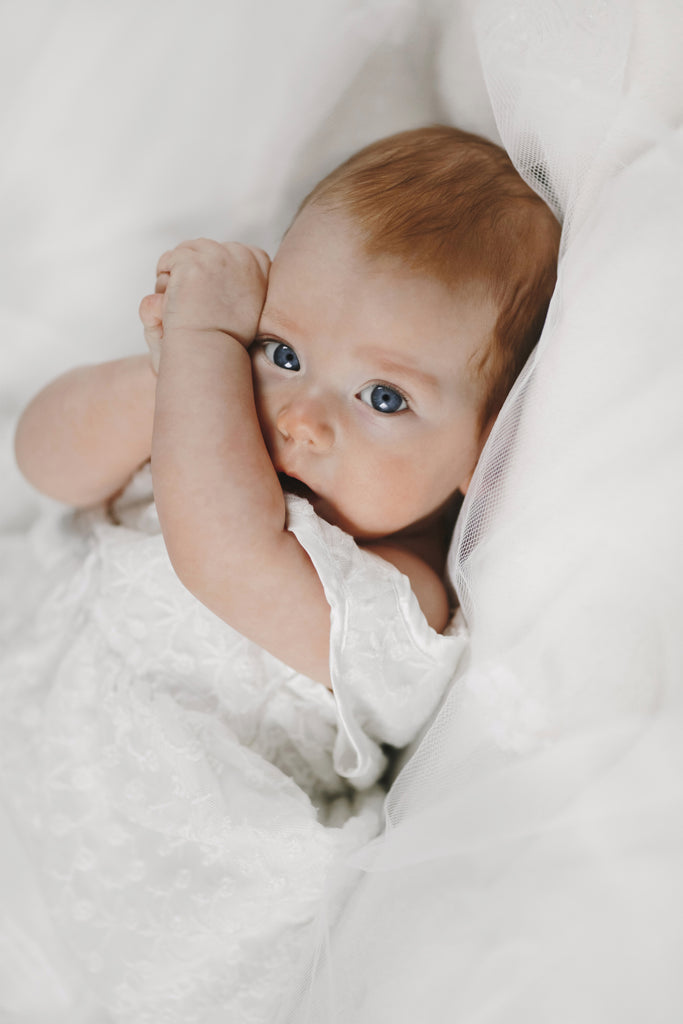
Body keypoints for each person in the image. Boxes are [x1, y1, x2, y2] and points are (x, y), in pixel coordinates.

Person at [2, 126, 559, 1022]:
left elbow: (222, 552)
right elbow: (42, 461)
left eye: (384, 397)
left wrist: (204, 342)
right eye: (283, 351)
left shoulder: (400, 597)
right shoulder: (214, 414)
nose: (299, 416)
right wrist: (179, 375)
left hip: (126, 902)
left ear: (484, 453)